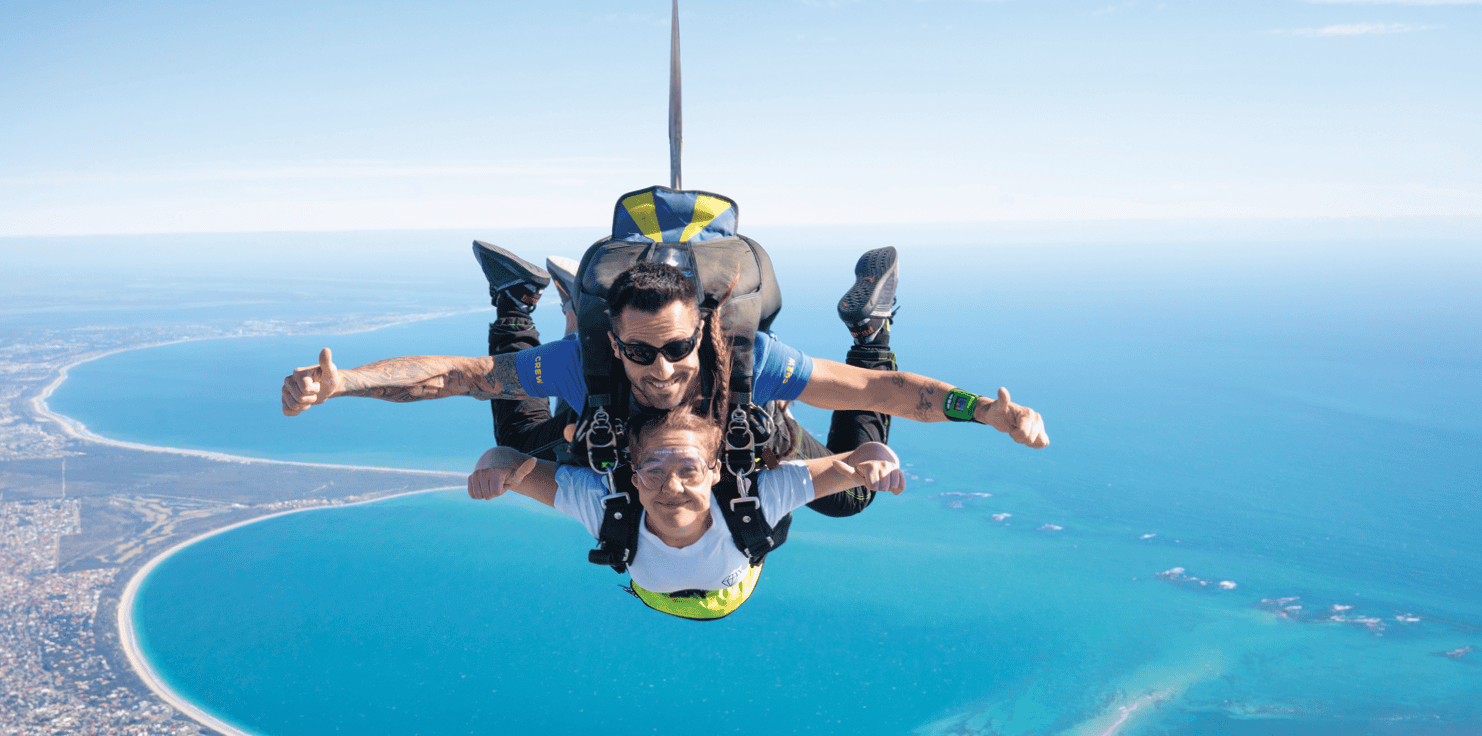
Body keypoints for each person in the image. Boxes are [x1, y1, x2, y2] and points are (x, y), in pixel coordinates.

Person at [279, 256, 1051, 496]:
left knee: (848, 497)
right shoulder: (583, 363)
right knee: (520, 425)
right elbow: (453, 376)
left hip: (755, 443)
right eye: (641, 352)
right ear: (611, 343)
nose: (664, 368)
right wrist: (343, 382)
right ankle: (515, 300)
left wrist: (981, 410)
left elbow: (878, 395)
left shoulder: (745, 361)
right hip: (623, 443)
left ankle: (870, 326)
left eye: (677, 348)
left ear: (702, 334)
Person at [465, 405, 907, 619]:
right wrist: (878, 466)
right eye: (655, 471)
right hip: (737, 449)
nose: (672, 487)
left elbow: (507, 461)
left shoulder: (604, 507)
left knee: (534, 442)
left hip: (658, 449)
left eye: (687, 471)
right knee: (851, 499)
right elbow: (859, 458)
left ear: (713, 472)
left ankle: (527, 305)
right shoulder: (762, 502)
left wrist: (492, 471)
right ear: (637, 476)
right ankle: (869, 332)